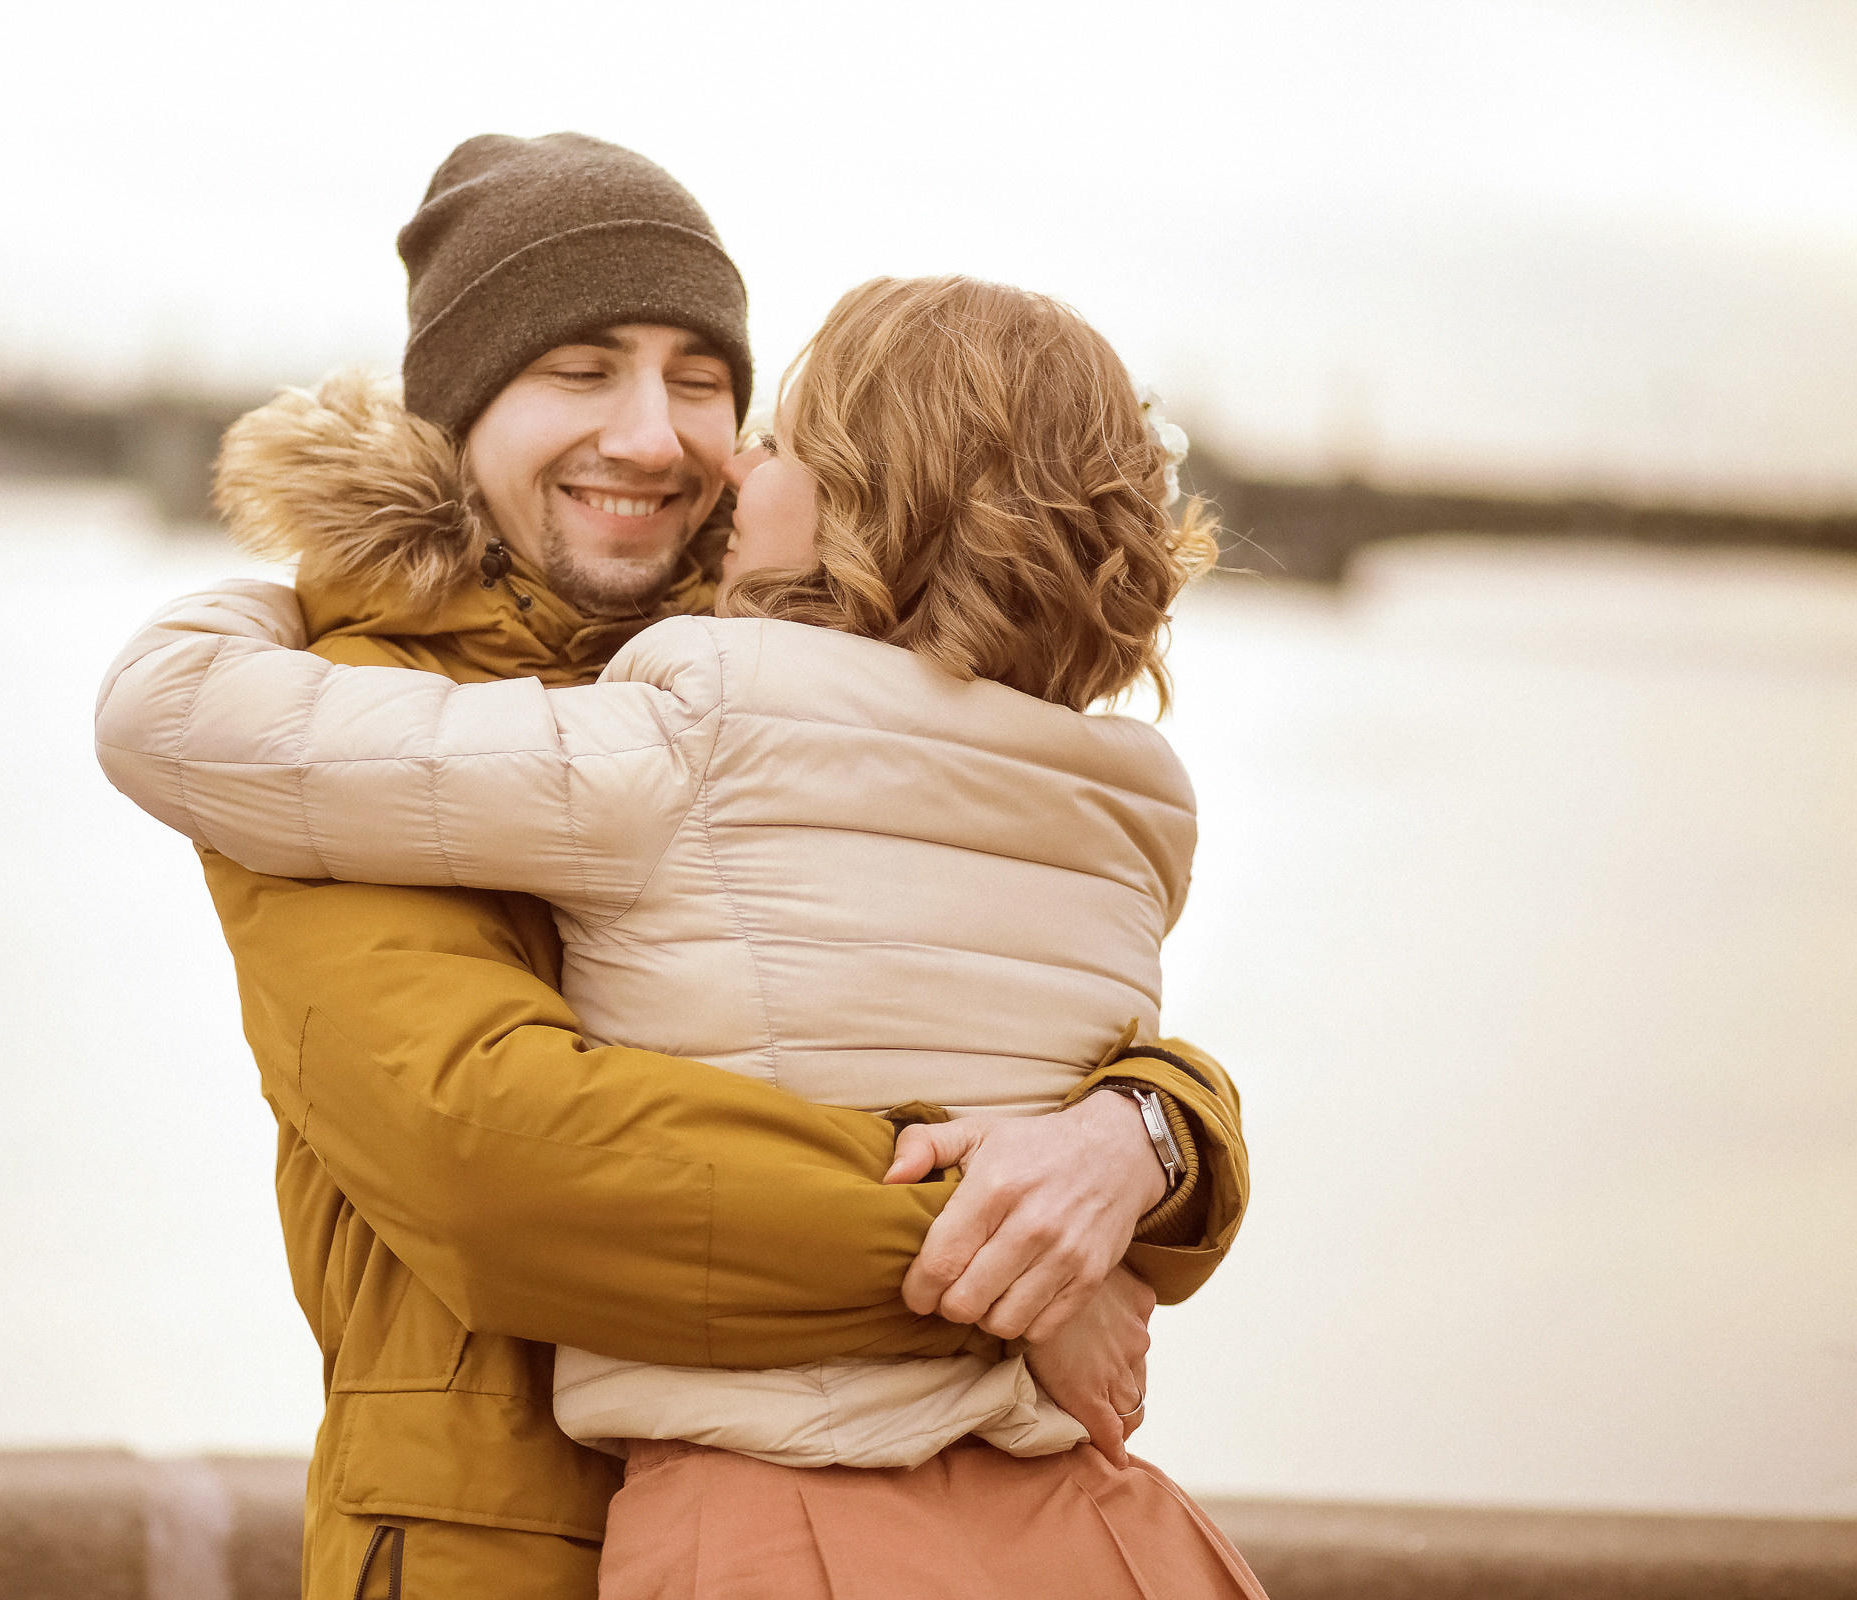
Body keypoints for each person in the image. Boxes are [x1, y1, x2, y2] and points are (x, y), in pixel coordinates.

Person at [97, 134, 1250, 1600]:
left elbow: (1077, 1039)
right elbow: (495, 1166)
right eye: (579, 372)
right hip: (495, 1558)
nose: (655, 439)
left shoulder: (789, 687)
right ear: (455, 410)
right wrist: (1024, 1273)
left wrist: (1146, 1132)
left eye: (703, 383)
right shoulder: (350, 716)